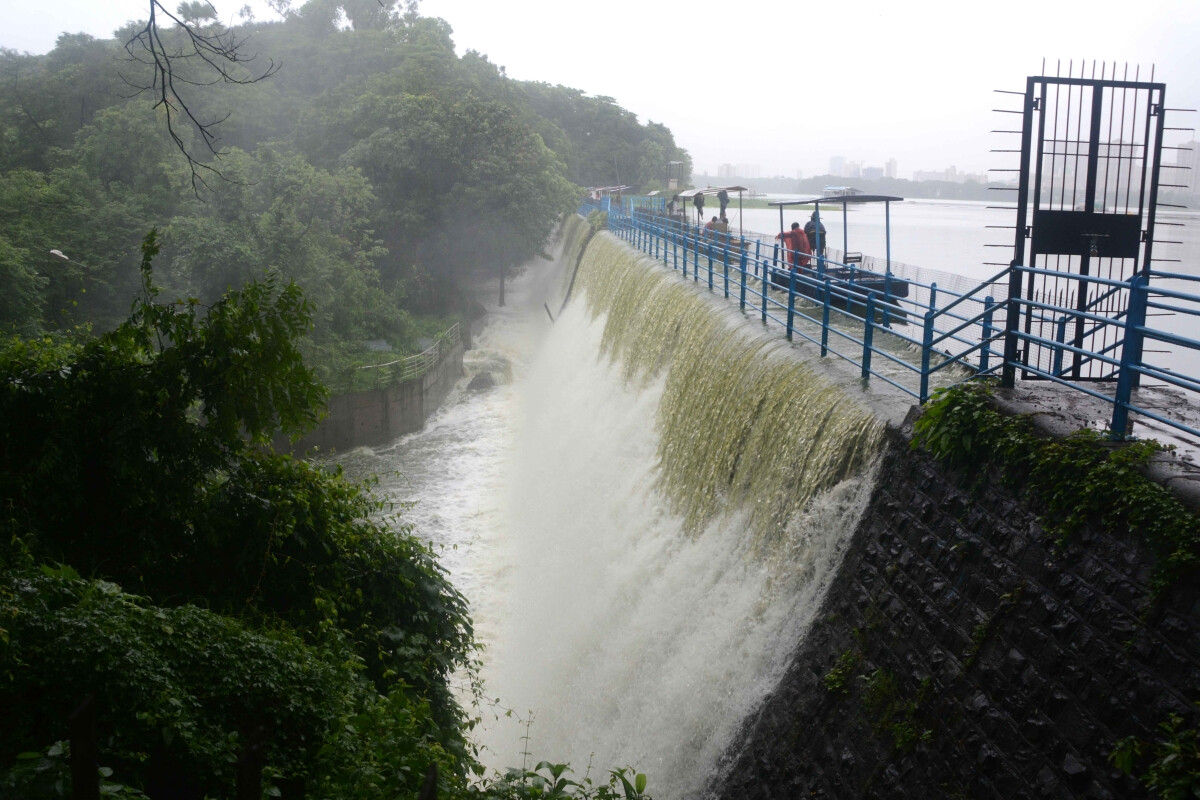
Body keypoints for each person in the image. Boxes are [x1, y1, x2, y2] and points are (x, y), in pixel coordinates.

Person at [773, 222, 811, 287]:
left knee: (795, 267)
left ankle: (796, 282)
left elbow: (785, 234)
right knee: (799, 268)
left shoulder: (794, 232)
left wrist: (779, 235)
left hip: (796, 254)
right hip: (804, 254)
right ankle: (799, 280)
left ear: (793, 228)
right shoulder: (803, 233)